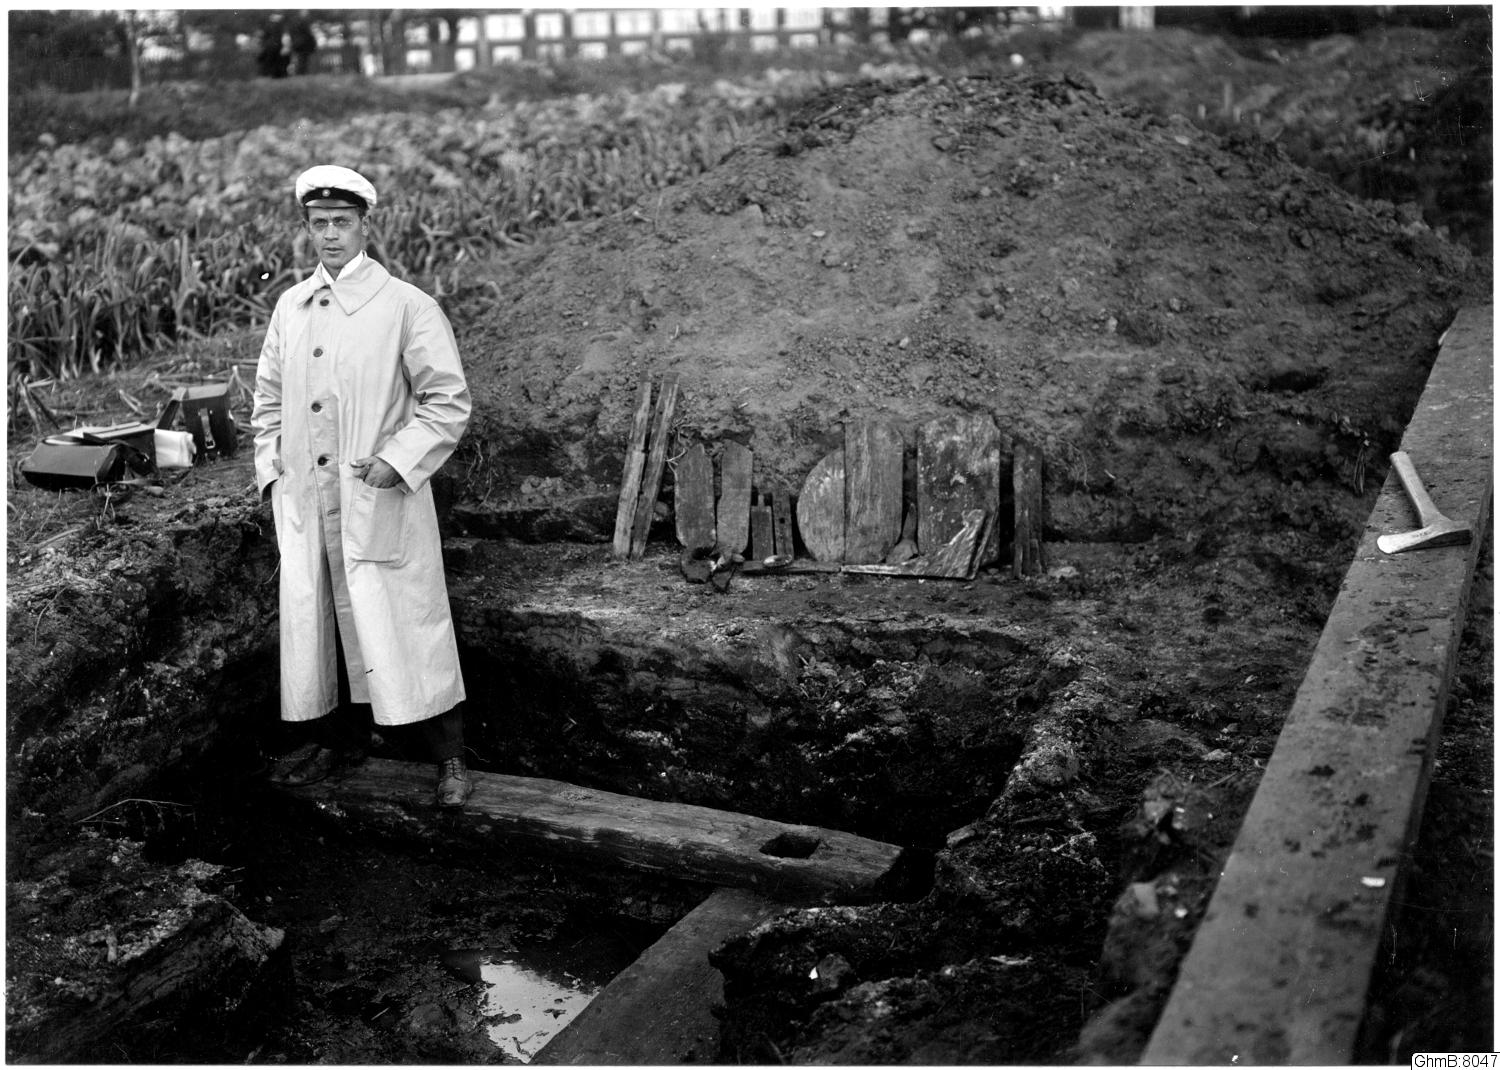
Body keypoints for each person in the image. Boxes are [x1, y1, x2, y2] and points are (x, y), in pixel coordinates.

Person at [251, 165, 474, 807]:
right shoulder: (290, 308)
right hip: (306, 499)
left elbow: (446, 401)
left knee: (407, 620)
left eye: (342, 222)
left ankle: (450, 758)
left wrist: (396, 461)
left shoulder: (406, 305)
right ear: (306, 229)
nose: (330, 235)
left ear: (366, 225)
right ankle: (335, 742)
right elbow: (267, 401)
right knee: (320, 619)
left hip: (377, 494)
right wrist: (274, 475)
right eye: (318, 223)